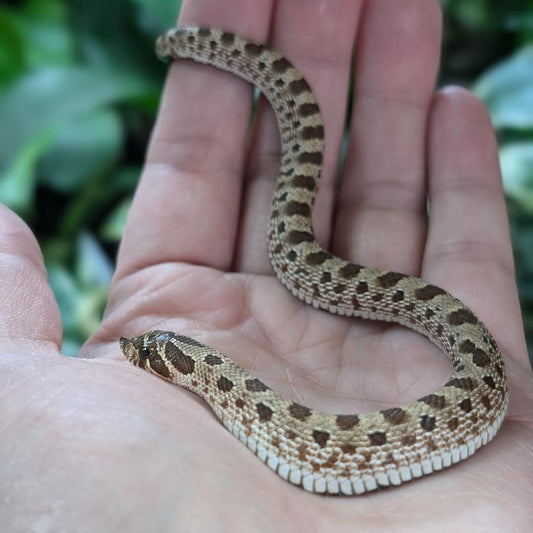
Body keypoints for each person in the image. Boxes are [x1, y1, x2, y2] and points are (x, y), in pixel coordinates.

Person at [1, 0, 531, 530]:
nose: (134, 351)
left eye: (142, 351)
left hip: (474, 409)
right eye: (144, 351)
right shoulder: (222, 383)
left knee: (324, 264)